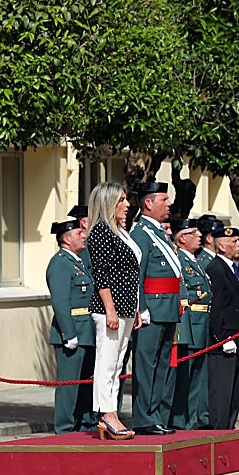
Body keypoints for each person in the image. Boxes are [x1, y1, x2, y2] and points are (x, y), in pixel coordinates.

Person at [85, 182, 140, 440]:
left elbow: (131, 273)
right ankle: (105, 413)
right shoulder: (100, 233)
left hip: (126, 306)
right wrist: (110, 309)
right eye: (121, 200)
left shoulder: (119, 232)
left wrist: (135, 307)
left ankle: (113, 411)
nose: (127, 205)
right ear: (108, 203)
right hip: (111, 308)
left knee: (118, 363)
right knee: (106, 362)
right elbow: (102, 275)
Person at [130, 180, 181, 436]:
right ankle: (143, 418)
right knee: (146, 364)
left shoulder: (159, 232)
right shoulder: (141, 233)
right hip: (151, 307)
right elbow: (136, 275)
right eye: (164, 199)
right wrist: (141, 306)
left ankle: (155, 414)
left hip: (168, 306)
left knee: (161, 365)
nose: (168, 203)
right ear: (149, 203)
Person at [46, 218, 96, 434]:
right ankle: (64, 428)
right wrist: (68, 333)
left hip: (86, 330)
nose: (83, 236)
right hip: (72, 331)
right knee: (69, 385)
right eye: (78, 233)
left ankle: (83, 423)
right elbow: (60, 301)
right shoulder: (60, 263)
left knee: (85, 382)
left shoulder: (77, 262)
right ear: (66, 239)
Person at [171, 218, 213, 429]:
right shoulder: (179, 260)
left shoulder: (195, 261)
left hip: (201, 324)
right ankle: (182, 423)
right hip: (190, 324)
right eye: (194, 233)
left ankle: (193, 420)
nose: (199, 237)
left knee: (198, 378)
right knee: (185, 378)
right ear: (182, 238)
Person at [206, 225, 239, 430]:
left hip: (238, 337)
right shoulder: (216, 269)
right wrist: (222, 338)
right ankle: (220, 430)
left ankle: (229, 430)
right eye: (234, 242)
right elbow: (216, 307)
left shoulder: (233, 268)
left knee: (234, 390)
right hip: (225, 340)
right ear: (222, 246)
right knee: (222, 392)